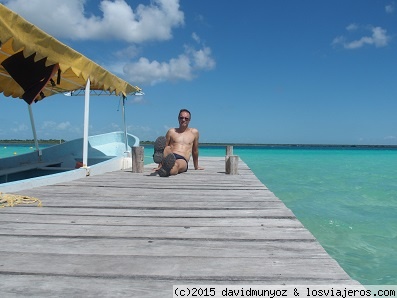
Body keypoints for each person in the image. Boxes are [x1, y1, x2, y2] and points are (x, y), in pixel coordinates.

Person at [152, 109, 204, 177]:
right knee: (166, 148)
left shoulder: (194, 132)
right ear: (178, 119)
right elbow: (164, 148)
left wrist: (196, 166)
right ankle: (163, 165)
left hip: (182, 159)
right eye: (181, 118)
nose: (183, 120)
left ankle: (165, 170)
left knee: (176, 165)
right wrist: (159, 165)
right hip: (170, 154)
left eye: (186, 118)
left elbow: (195, 150)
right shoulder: (171, 131)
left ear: (189, 120)